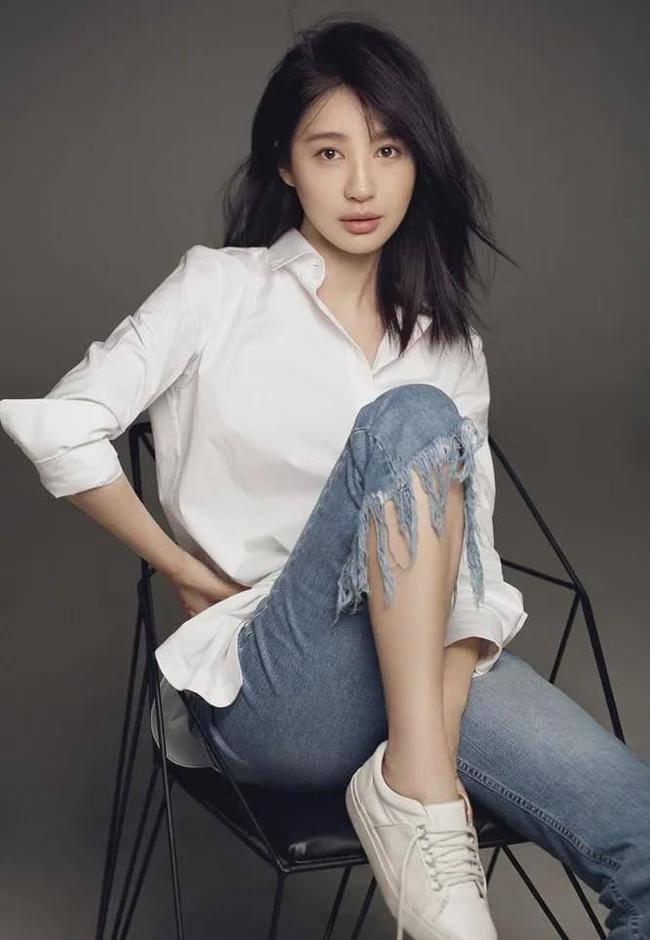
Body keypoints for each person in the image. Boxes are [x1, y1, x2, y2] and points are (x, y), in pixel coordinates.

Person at [1, 15, 648, 940]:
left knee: (642, 836)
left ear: (418, 161)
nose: (360, 185)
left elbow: (473, 578)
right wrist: (181, 569)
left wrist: (435, 728)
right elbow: (58, 425)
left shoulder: (449, 347)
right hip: (275, 691)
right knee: (411, 420)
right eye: (329, 152)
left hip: (422, 677)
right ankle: (423, 801)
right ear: (285, 165)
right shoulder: (219, 291)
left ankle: (410, 791)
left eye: (387, 150)